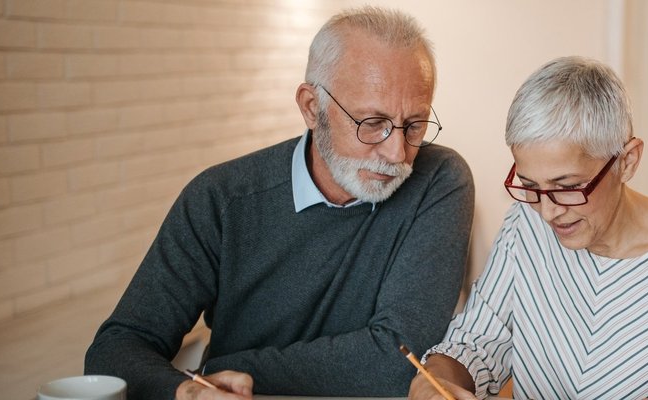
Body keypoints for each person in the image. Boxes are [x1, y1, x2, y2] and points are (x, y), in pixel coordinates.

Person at [84, 6, 474, 400]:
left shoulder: (438, 179)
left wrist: (222, 368)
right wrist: (187, 391)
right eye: (371, 123)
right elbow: (115, 350)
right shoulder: (220, 199)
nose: (396, 152)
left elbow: (400, 362)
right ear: (310, 107)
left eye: (415, 124)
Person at [409, 56, 648, 400]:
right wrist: (435, 379)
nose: (547, 212)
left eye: (567, 187)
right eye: (531, 185)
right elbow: (475, 343)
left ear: (627, 162)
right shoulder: (525, 224)